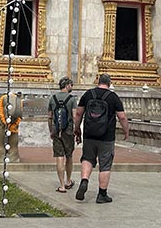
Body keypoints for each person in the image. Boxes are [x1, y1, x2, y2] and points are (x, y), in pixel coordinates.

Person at [72, 73, 128, 204]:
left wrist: (77, 129)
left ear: (97, 81)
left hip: (89, 134)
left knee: (87, 158)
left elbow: (79, 113)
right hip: (106, 136)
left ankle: (84, 180)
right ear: (109, 83)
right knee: (105, 164)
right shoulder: (113, 97)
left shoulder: (88, 94)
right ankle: (102, 194)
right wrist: (126, 131)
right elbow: (122, 117)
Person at [48, 76, 77, 192]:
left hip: (56, 130)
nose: (72, 87)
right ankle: (68, 181)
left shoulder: (52, 98)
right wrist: (77, 130)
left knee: (59, 156)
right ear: (67, 85)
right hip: (68, 130)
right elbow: (75, 116)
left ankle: (62, 185)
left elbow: (49, 117)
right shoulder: (72, 99)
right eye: (71, 85)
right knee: (69, 156)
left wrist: (51, 131)